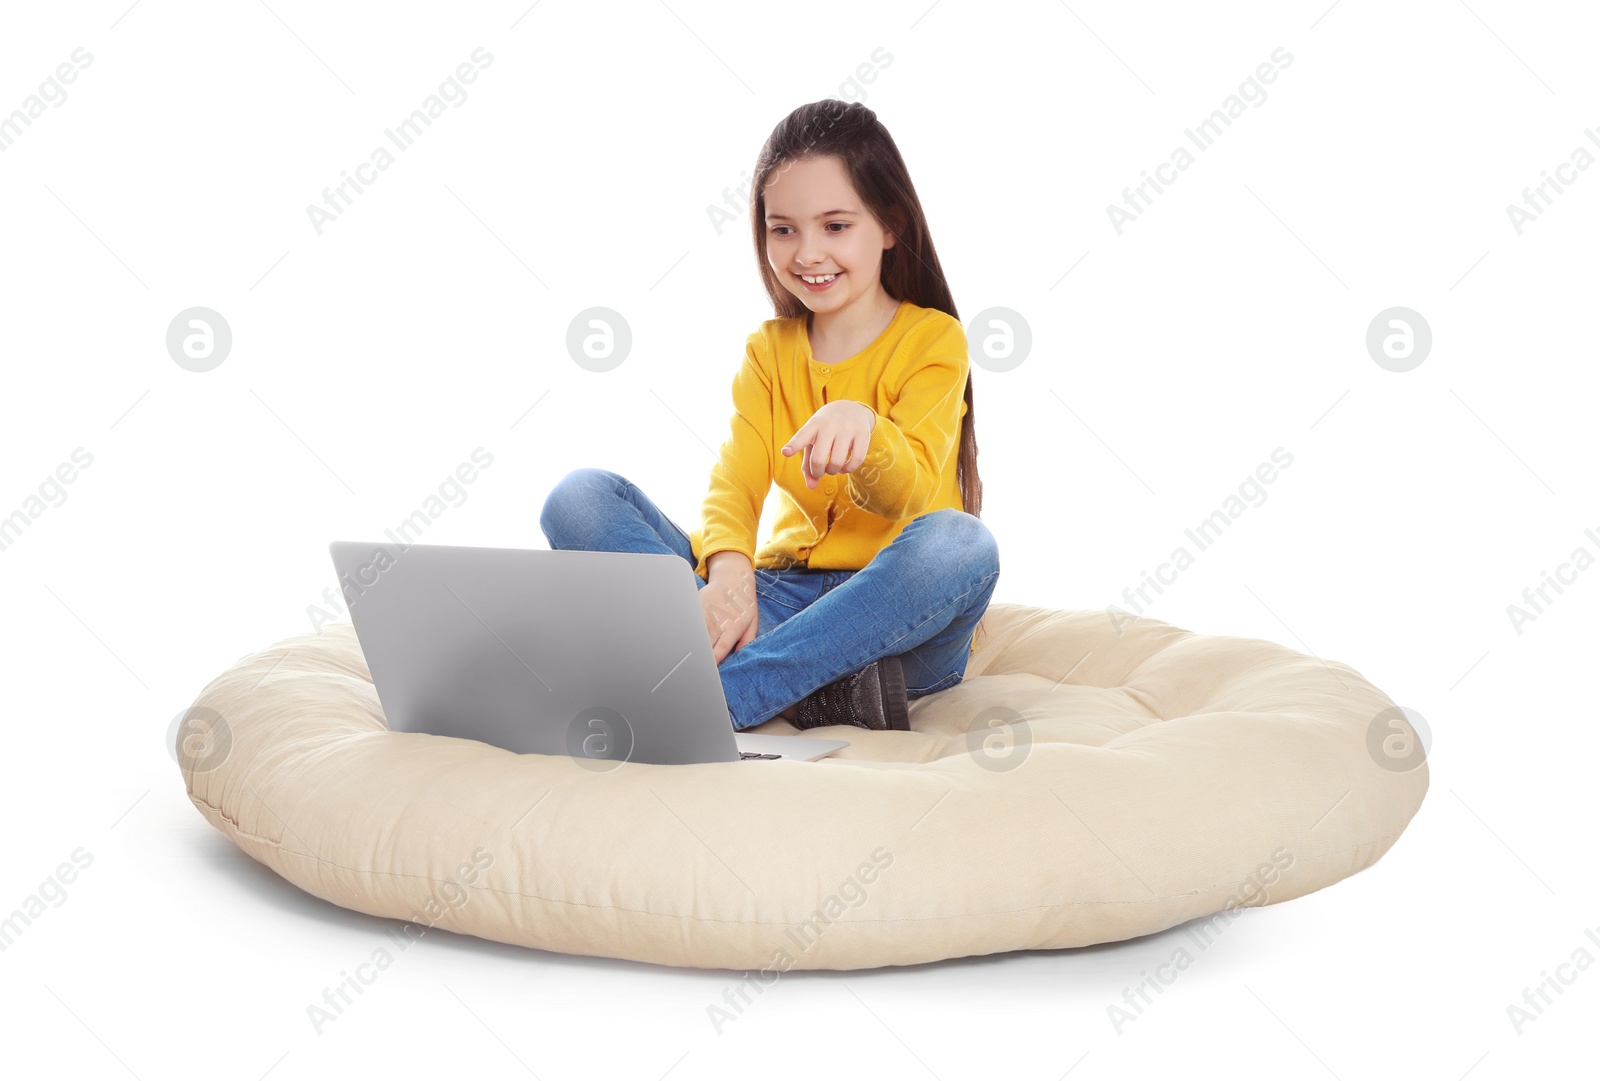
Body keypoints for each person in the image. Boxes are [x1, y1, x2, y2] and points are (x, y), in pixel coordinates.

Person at [540, 99, 999, 733]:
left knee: (962, 543)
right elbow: (738, 478)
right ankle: (814, 689)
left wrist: (868, 433)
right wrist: (730, 575)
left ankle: (721, 695)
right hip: (781, 603)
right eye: (783, 229)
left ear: (890, 225)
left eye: (835, 226)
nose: (807, 253)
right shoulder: (768, 350)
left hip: (892, 624)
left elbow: (913, 491)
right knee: (579, 497)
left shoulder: (934, 340)